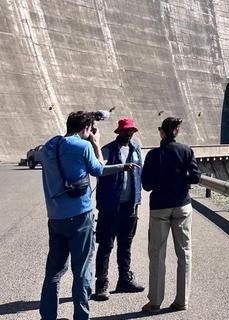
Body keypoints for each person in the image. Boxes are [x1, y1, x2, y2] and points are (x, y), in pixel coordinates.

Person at [40, 111, 136, 320]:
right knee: (82, 271)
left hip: (55, 217)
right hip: (80, 218)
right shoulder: (83, 146)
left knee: (54, 272)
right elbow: (99, 169)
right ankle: (81, 317)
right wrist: (95, 142)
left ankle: (48, 317)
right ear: (86, 129)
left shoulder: (49, 146)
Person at [141, 117, 200, 312]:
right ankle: (182, 301)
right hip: (182, 206)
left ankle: (155, 301)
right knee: (184, 253)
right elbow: (196, 177)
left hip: (160, 208)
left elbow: (147, 185)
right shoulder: (186, 151)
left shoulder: (153, 155)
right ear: (176, 131)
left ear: (161, 131)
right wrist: (181, 180)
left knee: (157, 254)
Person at [92, 118, 145, 301]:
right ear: (118, 132)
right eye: (125, 131)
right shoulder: (108, 149)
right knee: (106, 245)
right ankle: (101, 284)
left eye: (131, 131)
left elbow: (141, 173)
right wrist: (121, 168)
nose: (128, 134)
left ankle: (124, 279)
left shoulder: (136, 148)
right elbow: (99, 169)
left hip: (130, 205)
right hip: (110, 206)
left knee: (126, 245)